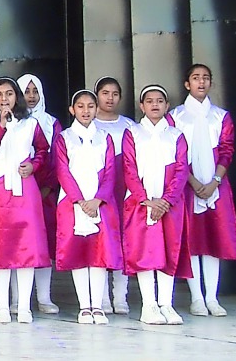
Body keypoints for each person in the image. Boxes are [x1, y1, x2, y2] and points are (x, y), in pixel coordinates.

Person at [0, 77, 50, 324]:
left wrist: (34, 164)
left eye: (8, 93)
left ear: (16, 96)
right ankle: (3, 307)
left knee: (26, 247)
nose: (4, 99)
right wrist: (2, 126)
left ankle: (25, 306)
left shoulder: (31, 123)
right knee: (0, 248)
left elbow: (42, 150)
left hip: (24, 189)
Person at [168, 63, 236, 317]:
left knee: (213, 238)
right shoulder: (176, 116)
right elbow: (175, 154)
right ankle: (196, 297)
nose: (201, 82)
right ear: (187, 84)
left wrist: (214, 182)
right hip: (186, 186)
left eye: (206, 78)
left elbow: (226, 150)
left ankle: (212, 296)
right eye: (196, 78)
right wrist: (193, 182)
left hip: (215, 186)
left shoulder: (220, 116)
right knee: (192, 240)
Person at [122, 84, 192, 326]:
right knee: (145, 252)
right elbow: (129, 169)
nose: (154, 104)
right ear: (142, 106)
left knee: (168, 251)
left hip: (169, 204)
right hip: (141, 203)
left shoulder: (176, 136)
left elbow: (182, 170)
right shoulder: (132, 133)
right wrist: (145, 199)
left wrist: (166, 201)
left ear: (167, 106)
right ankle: (149, 304)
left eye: (159, 101)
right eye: (149, 100)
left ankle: (166, 303)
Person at [54, 90, 123, 325]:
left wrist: (98, 199)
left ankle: (98, 305)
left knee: (99, 253)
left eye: (90, 106)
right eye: (80, 106)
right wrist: (80, 201)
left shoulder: (105, 137)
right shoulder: (64, 138)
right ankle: (84, 305)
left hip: (101, 204)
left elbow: (111, 171)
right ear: (72, 110)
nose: (86, 111)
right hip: (71, 204)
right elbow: (62, 171)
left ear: (96, 109)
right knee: (78, 254)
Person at [16, 73, 62, 315]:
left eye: (35, 91)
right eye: (26, 91)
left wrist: (46, 188)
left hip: (45, 192)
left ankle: (44, 297)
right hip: (18, 191)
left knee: (44, 244)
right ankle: (16, 299)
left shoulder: (51, 123)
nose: (31, 96)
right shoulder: (10, 121)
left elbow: (57, 158)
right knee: (17, 244)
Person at [93, 76, 138, 315]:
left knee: (123, 241)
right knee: (101, 241)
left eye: (115, 93)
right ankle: (101, 298)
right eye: (105, 93)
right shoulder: (90, 125)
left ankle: (120, 296)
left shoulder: (130, 126)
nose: (110, 98)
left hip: (124, 189)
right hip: (99, 190)